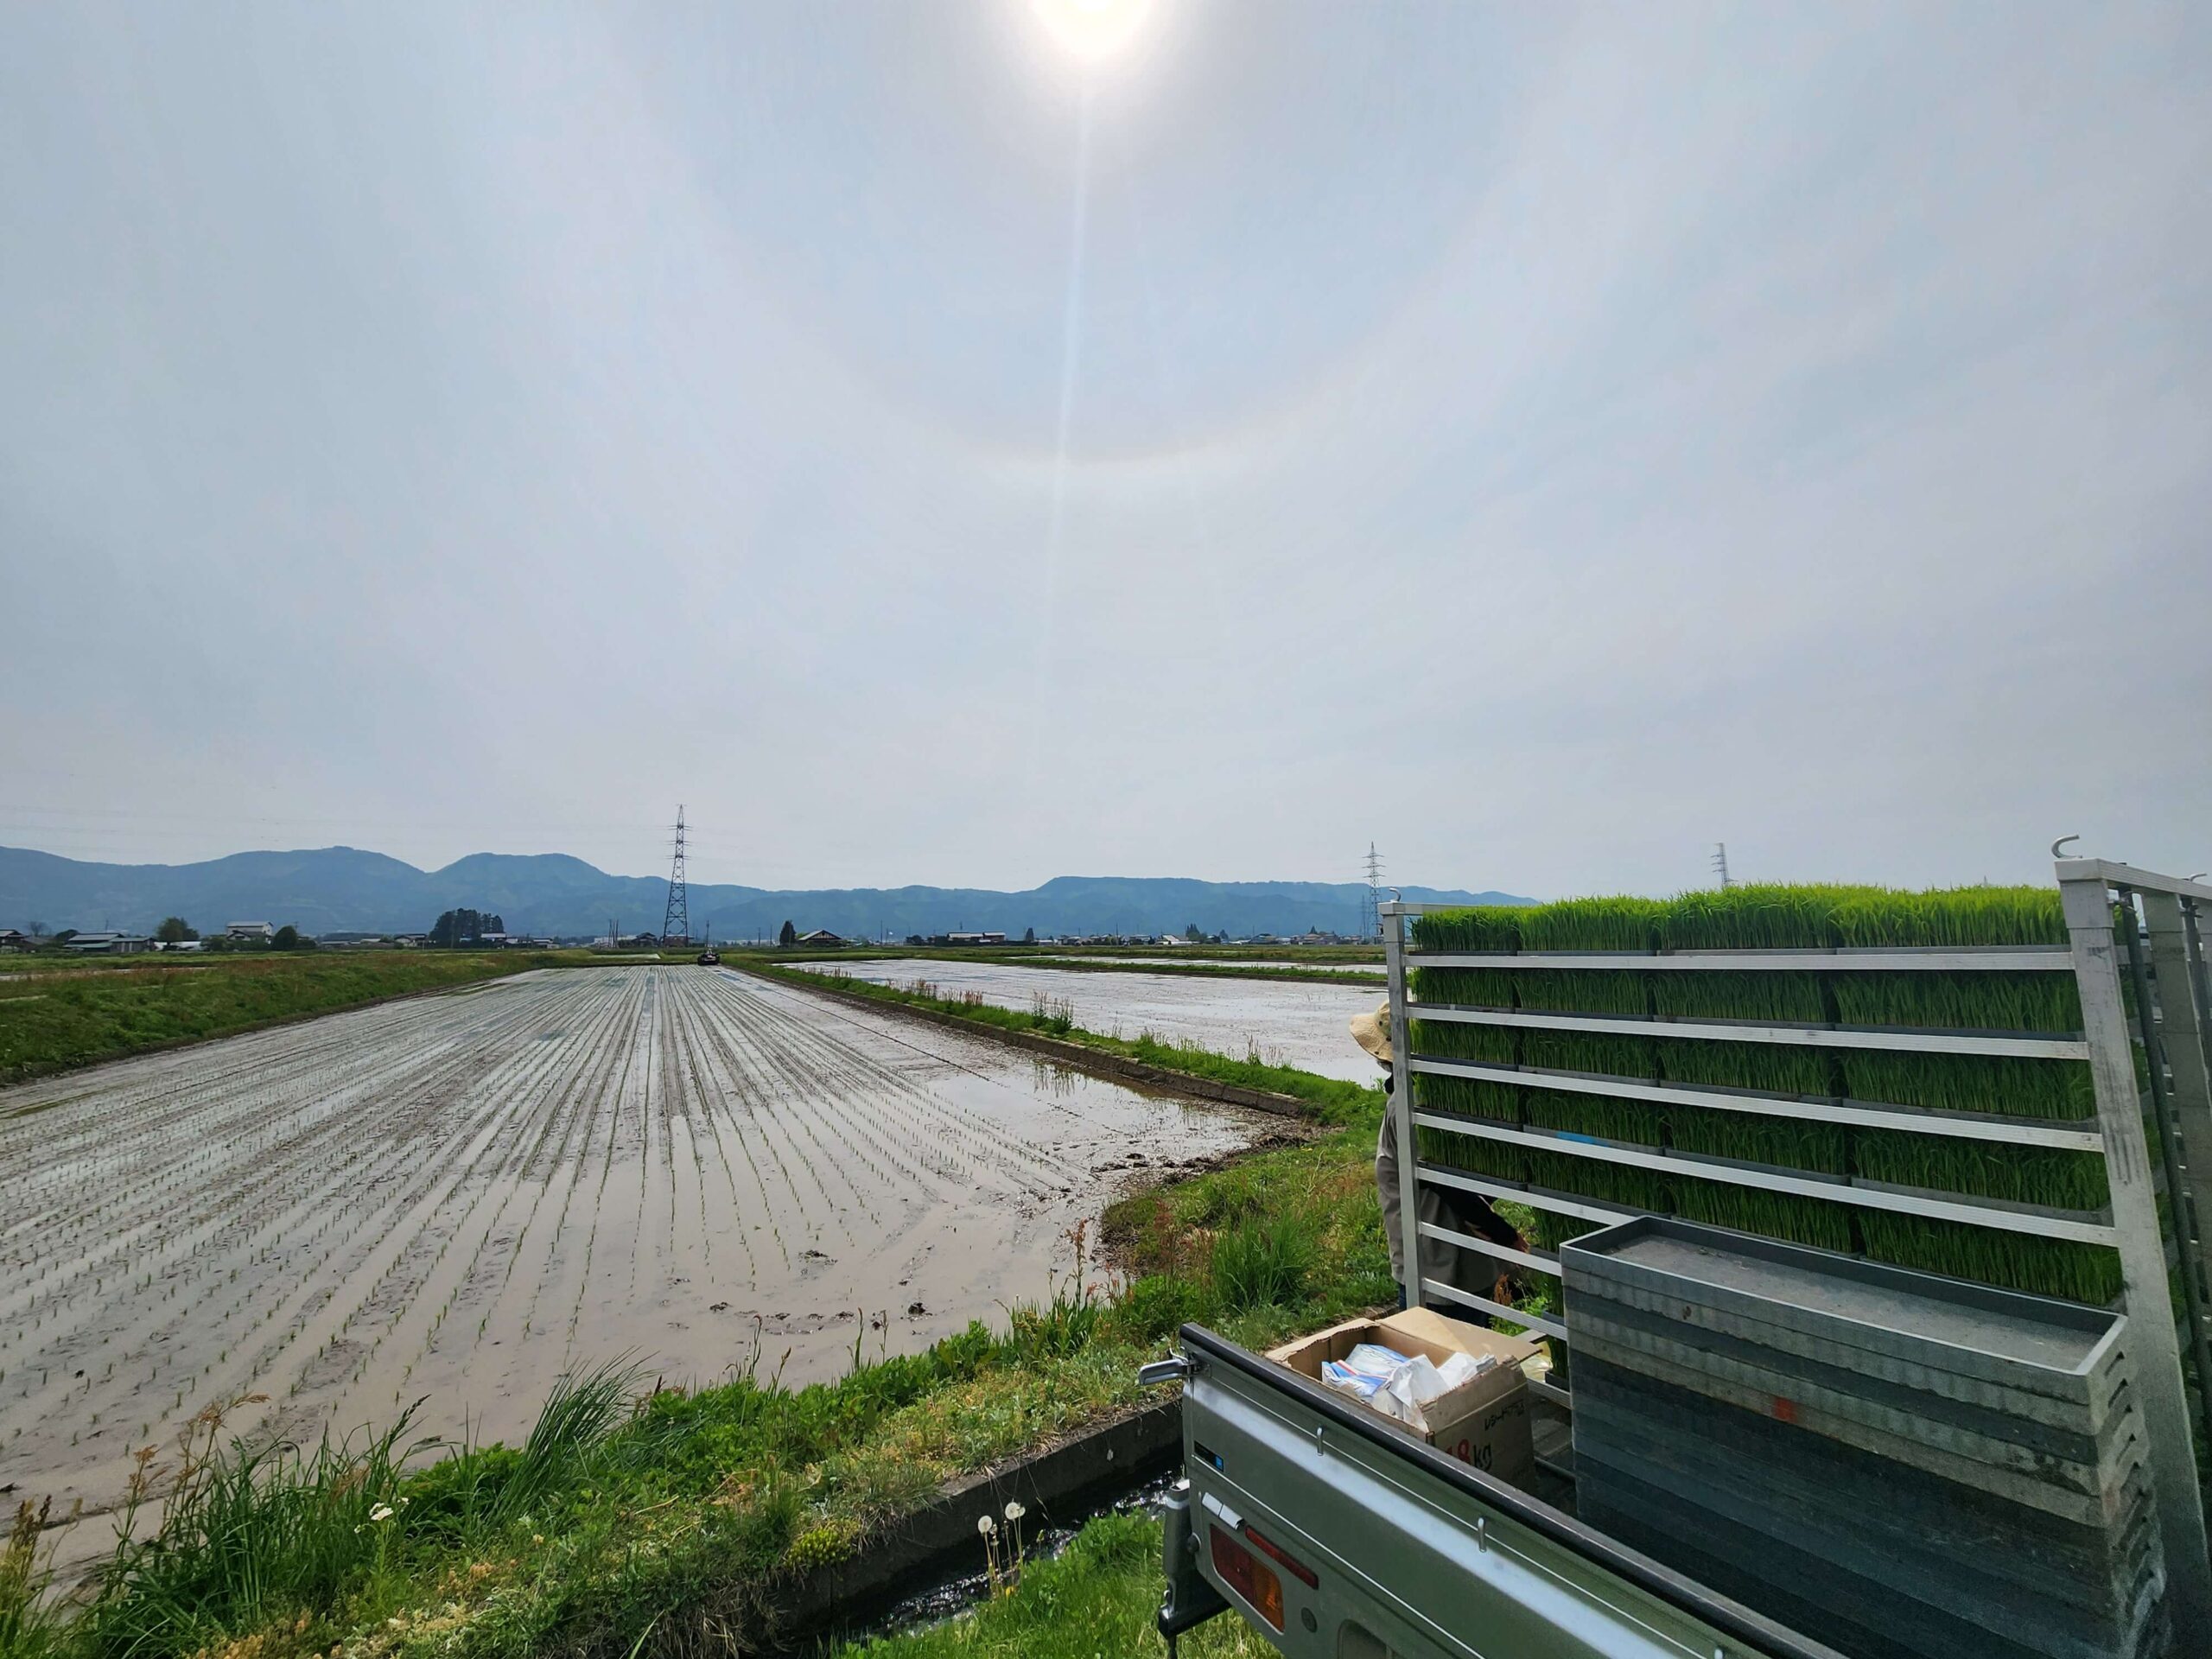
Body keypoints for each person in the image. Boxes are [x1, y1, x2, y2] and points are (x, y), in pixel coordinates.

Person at [1351, 1001, 1529, 1312]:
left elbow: (1449, 1186)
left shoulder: (1408, 1106)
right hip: (1453, 1259)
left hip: (1437, 1267)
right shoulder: (1437, 1096)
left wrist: (1505, 1235)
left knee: (1437, 1349)